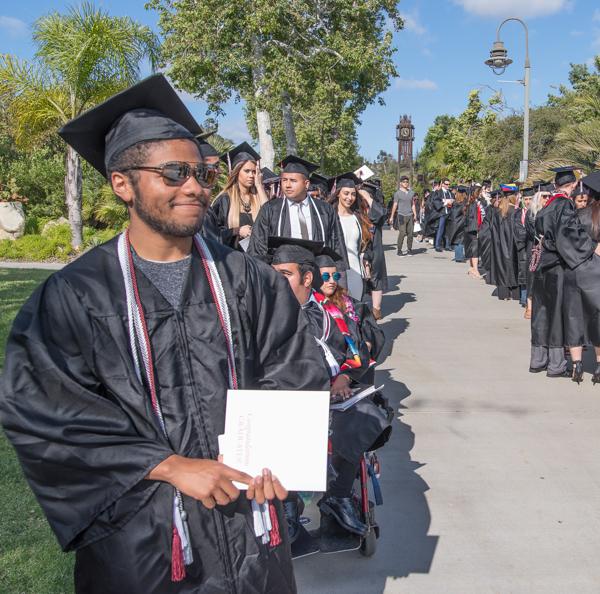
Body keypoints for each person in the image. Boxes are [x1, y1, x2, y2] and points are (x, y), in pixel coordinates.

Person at [0, 75, 330, 594]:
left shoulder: (248, 280)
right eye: (174, 173)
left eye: (199, 172)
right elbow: (46, 412)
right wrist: (167, 465)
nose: (194, 186)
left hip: (250, 524)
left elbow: (296, 369)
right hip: (146, 536)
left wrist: (278, 456)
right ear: (122, 183)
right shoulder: (75, 296)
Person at [269, 239, 391, 538]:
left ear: (306, 278)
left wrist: (344, 379)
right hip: (287, 399)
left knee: (365, 415)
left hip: (333, 396)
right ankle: (289, 505)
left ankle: (337, 496)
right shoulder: (266, 313)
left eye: (284, 274)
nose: (275, 279)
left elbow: (353, 353)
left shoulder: (325, 312)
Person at [530, 166, 599, 378]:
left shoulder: (546, 206)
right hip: (559, 265)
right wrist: (591, 247)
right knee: (559, 315)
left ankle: (538, 359)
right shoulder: (564, 206)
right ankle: (557, 364)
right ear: (571, 186)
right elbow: (567, 236)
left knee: (542, 313)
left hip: (543, 265)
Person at [248, 155, 344, 258]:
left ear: (306, 184)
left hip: (318, 270)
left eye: (293, 181)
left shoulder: (325, 210)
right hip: (281, 270)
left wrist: (337, 272)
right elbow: (257, 248)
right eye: (284, 180)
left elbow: (337, 244)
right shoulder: (270, 209)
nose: (287, 185)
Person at [562, 171, 600, 383]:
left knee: (574, 316)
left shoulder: (579, 215)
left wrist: (589, 249)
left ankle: (576, 365)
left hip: (577, 271)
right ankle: (599, 365)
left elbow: (564, 242)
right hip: (598, 272)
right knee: (598, 318)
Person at [207, 142, 267, 251]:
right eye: (247, 171)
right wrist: (237, 231)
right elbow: (212, 234)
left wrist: (259, 186)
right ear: (236, 172)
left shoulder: (258, 197)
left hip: (257, 258)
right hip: (232, 257)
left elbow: (269, 219)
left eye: (254, 172)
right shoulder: (224, 200)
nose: (251, 175)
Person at [328, 172, 373, 300]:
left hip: (355, 271)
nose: (350, 197)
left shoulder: (358, 218)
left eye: (353, 194)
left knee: (355, 312)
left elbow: (365, 245)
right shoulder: (329, 217)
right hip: (335, 273)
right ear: (338, 194)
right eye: (346, 193)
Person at [360, 180, 388, 320]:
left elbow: (381, 216)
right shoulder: (354, 209)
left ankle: (376, 309)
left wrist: (369, 198)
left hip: (375, 246)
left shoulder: (374, 208)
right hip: (359, 248)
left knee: (376, 277)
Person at [488, 187, 519, 300]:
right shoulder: (516, 212)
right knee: (514, 267)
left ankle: (503, 294)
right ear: (514, 198)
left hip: (499, 246)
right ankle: (515, 294)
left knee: (502, 267)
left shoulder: (497, 213)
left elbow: (493, 230)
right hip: (513, 246)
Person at [388, 175, 416, 255]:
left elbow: (413, 204)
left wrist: (415, 215)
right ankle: (399, 250)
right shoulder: (397, 194)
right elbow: (395, 205)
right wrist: (392, 217)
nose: (406, 183)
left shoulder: (412, 193)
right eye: (404, 182)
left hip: (410, 215)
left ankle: (409, 249)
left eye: (407, 182)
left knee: (410, 234)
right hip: (401, 215)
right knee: (402, 233)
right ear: (400, 183)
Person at [464, 186, 483, 277]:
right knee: (475, 249)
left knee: (471, 248)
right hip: (474, 228)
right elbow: (476, 218)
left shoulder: (467, 202)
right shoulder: (475, 203)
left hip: (468, 228)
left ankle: (471, 267)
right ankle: (475, 270)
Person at [434, 178, 454, 252]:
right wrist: (444, 203)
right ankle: (437, 245)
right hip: (442, 213)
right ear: (442, 184)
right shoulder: (438, 192)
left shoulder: (450, 193)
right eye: (446, 184)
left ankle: (447, 245)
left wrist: (451, 201)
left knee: (448, 230)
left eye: (448, 184)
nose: (447, 185)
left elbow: (453, 200)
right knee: (440, 230)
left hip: (449, 213)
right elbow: (435, 201)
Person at [447, 186, 467, 262]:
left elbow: (452, 213)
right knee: (460, 240)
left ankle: (458, 256)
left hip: (454, 223)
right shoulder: (465, 202)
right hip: (461, 223)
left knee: (456, 239)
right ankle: (460, 257)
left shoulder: (455, 202)